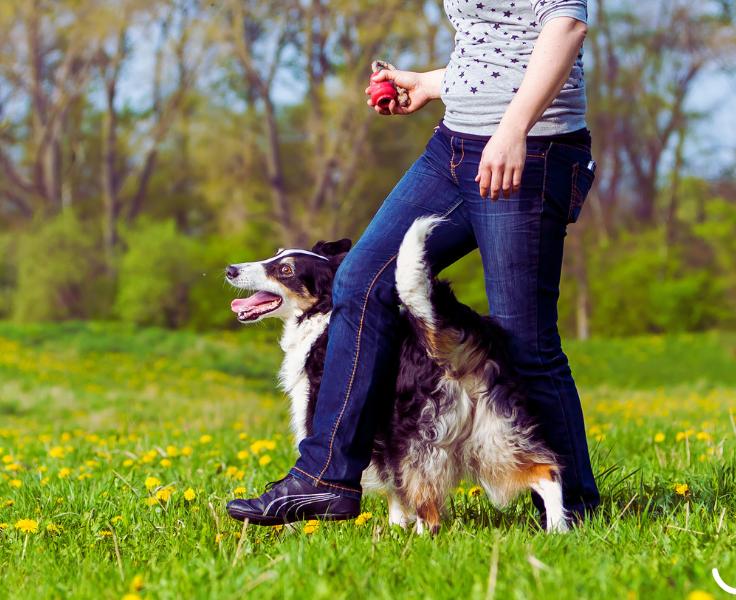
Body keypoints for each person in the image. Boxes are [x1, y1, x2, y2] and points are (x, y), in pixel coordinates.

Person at [227, 0, 600, 528]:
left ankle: (576, 508)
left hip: (531, 149)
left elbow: (565, 28)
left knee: (525, 341)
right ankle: (325, 480)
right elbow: (497, 43)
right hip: (454, 147)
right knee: (359, 280)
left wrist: (514, 128)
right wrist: (434, 83)